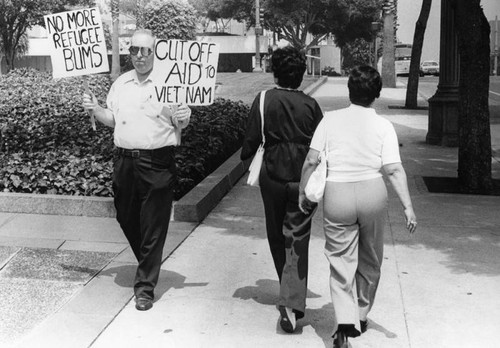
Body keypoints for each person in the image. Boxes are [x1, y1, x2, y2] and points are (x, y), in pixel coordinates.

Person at [299, 65, 417, 348]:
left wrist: (304, 192)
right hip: (372, 193)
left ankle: (344, 322)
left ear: (349, 91)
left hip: (337, 195)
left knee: (340, 263)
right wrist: (408, 207)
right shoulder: (384, 126)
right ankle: (360, 314)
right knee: (371, 260)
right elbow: (393, 170)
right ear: (376, 94)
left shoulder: (329, 120)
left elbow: (312, 160)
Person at [82, 29, 192, 311]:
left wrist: (184, 117)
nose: (140, 56)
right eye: (135, 51)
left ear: (156, 52)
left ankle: (145, 288)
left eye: (146, 51)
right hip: (125, 162)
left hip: (157, 162)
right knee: (125, 215)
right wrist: (95, 109)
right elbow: (112, 119)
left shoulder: (171, 83)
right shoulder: (121, 83)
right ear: (128, 52)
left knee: (154, 225)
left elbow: (182, 120)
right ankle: (148, 259)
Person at [241, 46, 323, 333]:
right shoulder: (311, 106)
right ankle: (291, 299)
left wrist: (246, 156)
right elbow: (321, 145)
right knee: (297, 238)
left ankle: (289, 299)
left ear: (275, 71)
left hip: (272, 176)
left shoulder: (263, 99)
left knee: (276, 235)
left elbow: (251, 140)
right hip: (303, 178)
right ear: (301, 74)